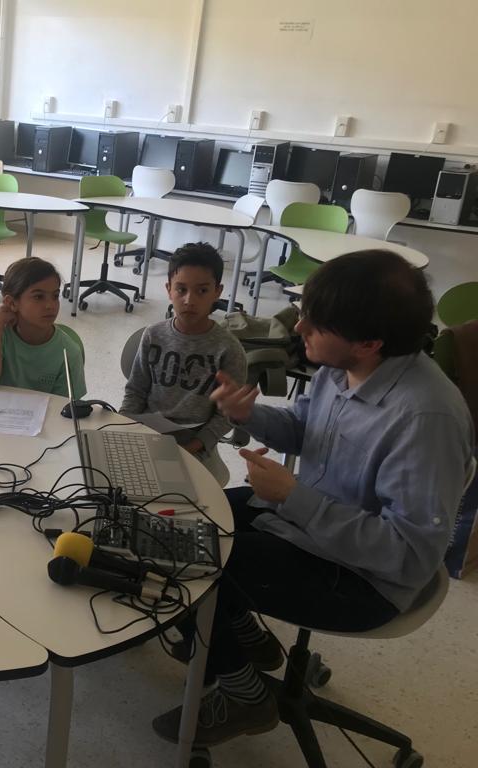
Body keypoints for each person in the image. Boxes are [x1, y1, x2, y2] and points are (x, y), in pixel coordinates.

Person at [151, 250, 474, 748]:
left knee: (199, 561)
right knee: (186, 518)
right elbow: (305, 429)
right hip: (306, 524)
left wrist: (294, 496)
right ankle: (243, 636)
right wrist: (249, 414)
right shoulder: (342, 365)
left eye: (316, 324)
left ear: (369, 343)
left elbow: (409, 555)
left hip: (365, 579)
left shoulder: (425, 420)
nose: (299, 327)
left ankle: (243, 695)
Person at [120, 242, 246, 484]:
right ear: (169, 289)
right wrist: (123, 426)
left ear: (217, 292)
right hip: (148, 432)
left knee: (186, 494)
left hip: (195, 442)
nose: (189, 300)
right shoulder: (153, 335)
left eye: (202, 291)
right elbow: (136, 390)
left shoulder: (228, 349)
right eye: (181, 289)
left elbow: (226, 416)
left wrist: (194, 446)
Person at [0, 256, 86, 398]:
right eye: (38, 297)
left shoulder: (69, 353)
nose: (50, 305)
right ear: (12, 303)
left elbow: (65, 408)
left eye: (55, 296)